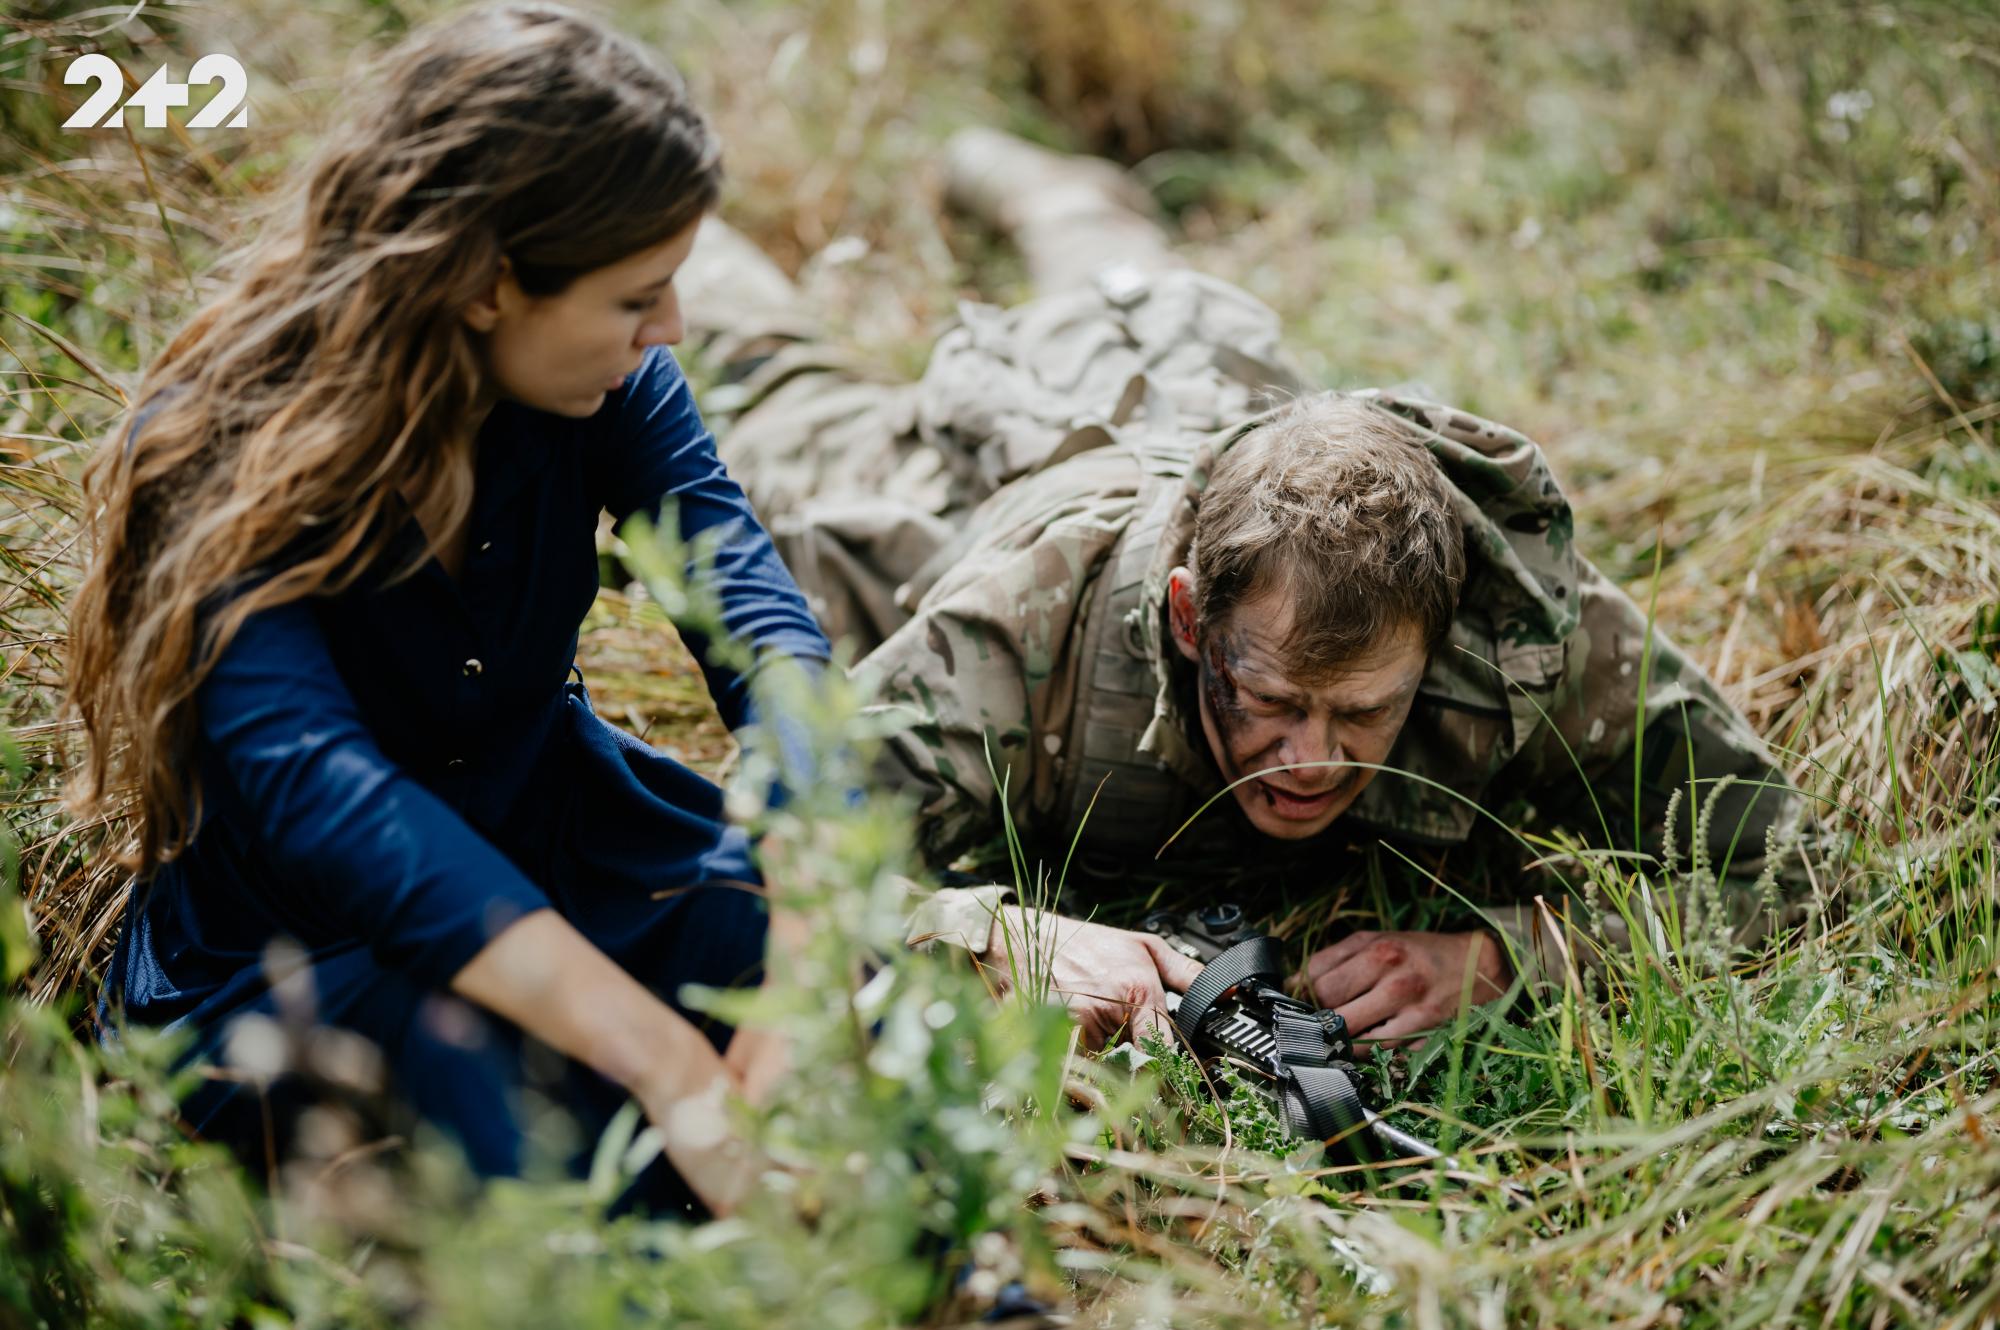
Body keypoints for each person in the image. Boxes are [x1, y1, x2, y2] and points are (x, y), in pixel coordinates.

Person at [684, 130, 1812, 1049]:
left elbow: (1784, 863)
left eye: (1364, 709)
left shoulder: (1520, 631)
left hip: (1214, 377)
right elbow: (771, 862)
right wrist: (998, 934)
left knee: (1134, 287)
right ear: (1188, 618)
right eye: (1268, 700)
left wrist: (1513, 953)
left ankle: (1042, 185)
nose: (1310, 758)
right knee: (786, 388)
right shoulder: (1017, 625)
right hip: (1023, 451)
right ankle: (673, 198)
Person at [66, 4, 824, 1216]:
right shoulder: (212, 450)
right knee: (522, 1139)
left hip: (570, 857)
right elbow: (331, 800)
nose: (669, 328)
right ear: (485, 284)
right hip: (308, 966)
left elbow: (765, 631)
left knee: (822, 996)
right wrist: (666, 1058)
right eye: (638, 293)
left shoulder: (609, 387)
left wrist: (804, 935)